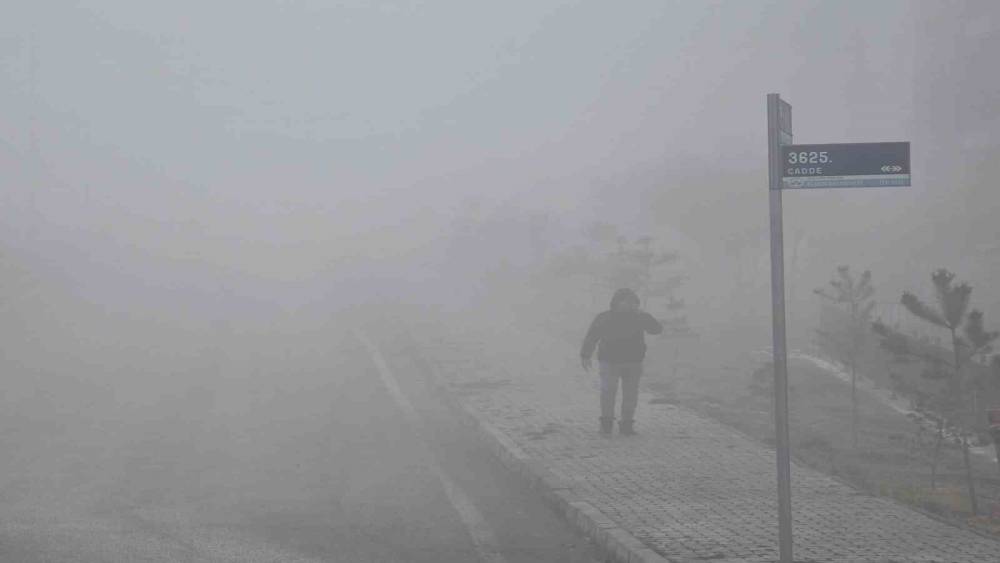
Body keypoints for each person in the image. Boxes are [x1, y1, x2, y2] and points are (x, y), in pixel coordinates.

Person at [580, 288, 663, 436]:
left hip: (633, 363)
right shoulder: (604, 317)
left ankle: (627, 425)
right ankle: (606, 425)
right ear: (617, 302)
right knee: (607, 393)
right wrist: (585, 355)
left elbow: (656, 329)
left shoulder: (640, 317)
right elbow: (592, 336)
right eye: (627, 301)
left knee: (630, 395)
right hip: (608, 363)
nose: (630, 305)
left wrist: (644, 315)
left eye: (634, 302)